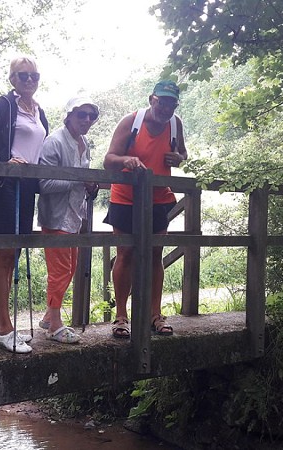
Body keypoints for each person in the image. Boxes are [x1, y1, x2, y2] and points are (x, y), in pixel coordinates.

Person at [0, 56, 49, 353]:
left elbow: (41, 151)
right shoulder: (3, 105)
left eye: (34, 75)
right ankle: (5, 328)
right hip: (5, 187)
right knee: (4, 254)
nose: (30, 80)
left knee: (13, 254)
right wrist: (3, 165)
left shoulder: (39, 111)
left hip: (27, 187)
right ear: (12, 79)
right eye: (23, 75)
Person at [102, 80, 188, 338]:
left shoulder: (176, 124)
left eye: (172, 103)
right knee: (125, 253)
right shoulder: (131, 122)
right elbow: (109, 160)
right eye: (162, 102)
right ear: (152, 100)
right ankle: (121, 317)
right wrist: (127, 160)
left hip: (159, 197)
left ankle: (154, 315)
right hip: (126, 196)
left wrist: (179, 158)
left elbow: (183, 153)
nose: (166, 108)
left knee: (154, 254)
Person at [36, 97, 101, 344]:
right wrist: (79, 179)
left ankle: (47, 317)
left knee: (69, 268)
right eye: (82, 114)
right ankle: (54, 325)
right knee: (60, 270)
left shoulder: (83, 143)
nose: (87, 120)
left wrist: (90, 186)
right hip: (56, 216)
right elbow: (45, 183)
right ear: (69, 115)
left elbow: (84, 183)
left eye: (91, 116)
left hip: (75, 216)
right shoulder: (54, 141)